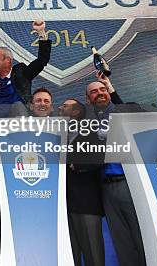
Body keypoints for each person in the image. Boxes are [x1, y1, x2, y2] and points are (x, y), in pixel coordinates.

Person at [86, 73, 146, 266]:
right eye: (94, 92)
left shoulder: (123, 111)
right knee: (121, 240)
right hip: (105, 187)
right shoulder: (86, 120)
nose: (99, 93)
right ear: (88, 99)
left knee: (142, 236)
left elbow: (136, 116)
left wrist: (110, 85)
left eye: (102, 90)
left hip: (129, 183)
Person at [59, 99, 105, 266]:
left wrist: (77, 164)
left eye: (64, 106)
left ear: (76, 112)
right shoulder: (57, 133)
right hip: (63, 205)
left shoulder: (92, 131)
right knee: (70, 256)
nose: (59, 107)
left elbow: (101, 157)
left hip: (86, 202)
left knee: (93, 254)